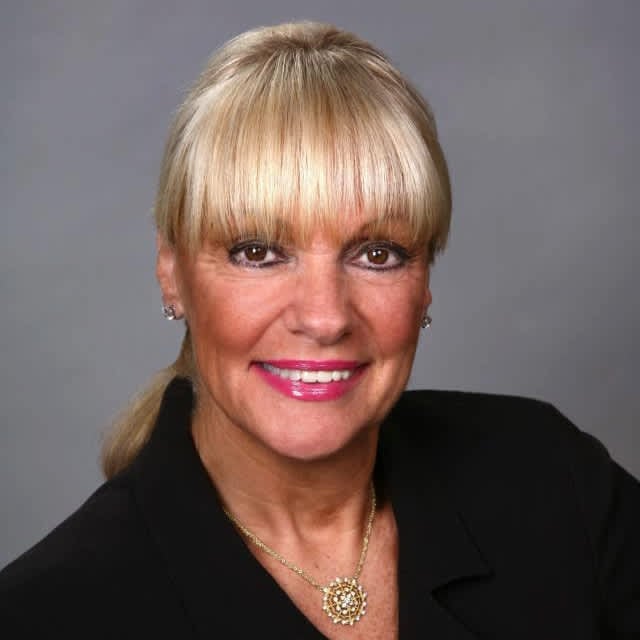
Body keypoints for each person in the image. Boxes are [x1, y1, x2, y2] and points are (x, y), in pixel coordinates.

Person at [1, 21, 638, 639]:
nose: (326, 317)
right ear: (172, 272)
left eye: (378, 254)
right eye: (258, 252)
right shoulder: (44, 616)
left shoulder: (556, 484)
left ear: (424, 281)